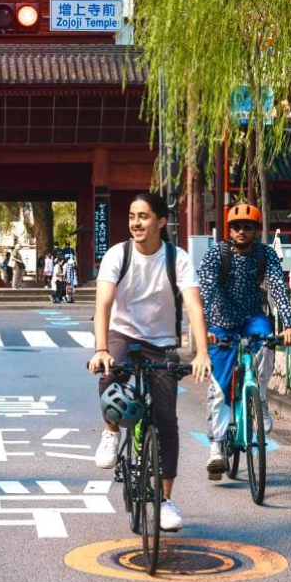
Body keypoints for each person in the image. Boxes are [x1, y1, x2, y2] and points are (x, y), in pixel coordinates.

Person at [89, 193, 212, 532]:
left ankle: (165, 500)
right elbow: (102, 305)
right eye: (132, 216)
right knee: (109, 369)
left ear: (160, 221)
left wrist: (201, 352)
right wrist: (101, 348)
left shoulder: (178, 258)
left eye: (143, 216)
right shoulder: (119, 254)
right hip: (123, 334)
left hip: (162, 343)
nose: (136, 223)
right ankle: (111, 431)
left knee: (165, 419)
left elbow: (194, 306)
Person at [198, 203, 291, 480]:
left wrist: (289, 324)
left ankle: (261, 397)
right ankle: (216, 447)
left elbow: (278, 286)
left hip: (253, 316)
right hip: (221, 321)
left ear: (256, 230)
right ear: (230, 230)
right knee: (219, 388)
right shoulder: (217, 254)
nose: (242, 231)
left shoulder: (265, 254)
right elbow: (205, 291)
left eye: (248, 226)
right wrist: (204, 327)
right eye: (236, 226)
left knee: (267, 343)